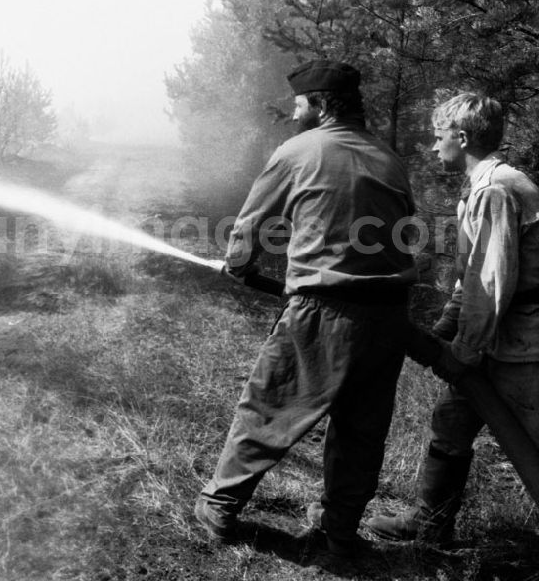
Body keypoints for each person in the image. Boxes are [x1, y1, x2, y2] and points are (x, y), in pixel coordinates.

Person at [195, 59, 418, 557]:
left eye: (300, 103)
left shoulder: (299, 150)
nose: (295, 113)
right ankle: (338, 530)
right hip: (389, 317)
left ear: (320, 104)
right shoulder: (389, 158)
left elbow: (249, 225)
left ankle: (221, 505)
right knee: (361, 429)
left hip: (323, 311)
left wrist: (237, 264)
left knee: (270, 403)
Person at [366, 92, 539, 545]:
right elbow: (472, 279)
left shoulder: (496, 190)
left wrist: (462, 352)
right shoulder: (483, 187)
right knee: (451, 423)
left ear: (461, 138)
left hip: (525, 345)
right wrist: (444, 329)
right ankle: (431, 522)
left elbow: (491, 285)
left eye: (438, 136)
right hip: (497, 339)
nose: (432, 146)